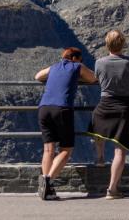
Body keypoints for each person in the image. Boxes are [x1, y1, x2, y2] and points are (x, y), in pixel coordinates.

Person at [34, 47, 97, 200]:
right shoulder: (77, 66)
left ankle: (46, 188)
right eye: (80, 59)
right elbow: (93, 78)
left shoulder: (54, 67)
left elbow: (37, 76)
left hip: (44, 108)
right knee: (66, 150)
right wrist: (78, 76)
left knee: (48, 149)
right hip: (62, 109)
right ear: (75, 58)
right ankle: (48, 182)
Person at [86, 29, 129, 200]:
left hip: (106, 103)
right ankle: (112, 189)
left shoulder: (99, 62)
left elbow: (98, 80)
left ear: (106, 44)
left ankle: (100, 157)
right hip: (125, 106)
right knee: (120, 151)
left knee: (97, 126)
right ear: (123, 44)